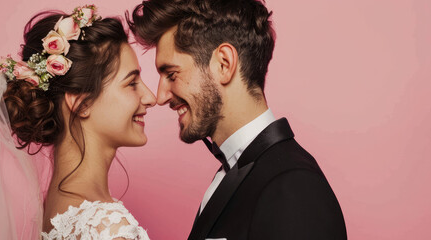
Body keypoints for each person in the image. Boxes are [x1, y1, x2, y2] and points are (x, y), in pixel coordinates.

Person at [127, 0, 347, 239]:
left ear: (224, 63)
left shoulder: (294, 187)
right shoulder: (234, 173)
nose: (160, 97)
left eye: (171, 74)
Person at [0, 5, 154, 240]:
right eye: (131, 83)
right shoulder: (107, 228)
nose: (151, 97)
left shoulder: (52, 209)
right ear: (81, 103)